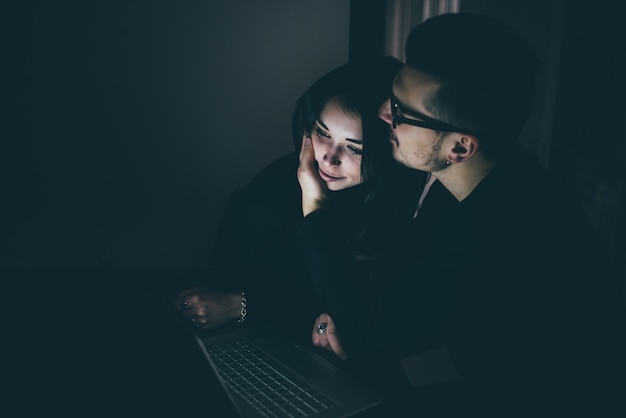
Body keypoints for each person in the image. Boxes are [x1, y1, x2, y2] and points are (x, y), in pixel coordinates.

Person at [296, 12, 626, 416]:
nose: (383, 111)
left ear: (459, 148)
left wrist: (314, 208)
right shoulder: (480, 180)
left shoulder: (499, 227)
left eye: (400, 111)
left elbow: (372, 331)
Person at [171, 56, 424, 345]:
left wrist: (240, 306)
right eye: (322, 133)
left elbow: (364, 313)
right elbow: (223, 288)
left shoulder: (410, 203)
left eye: (354, 148)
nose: (328, 158)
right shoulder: (269, 194)